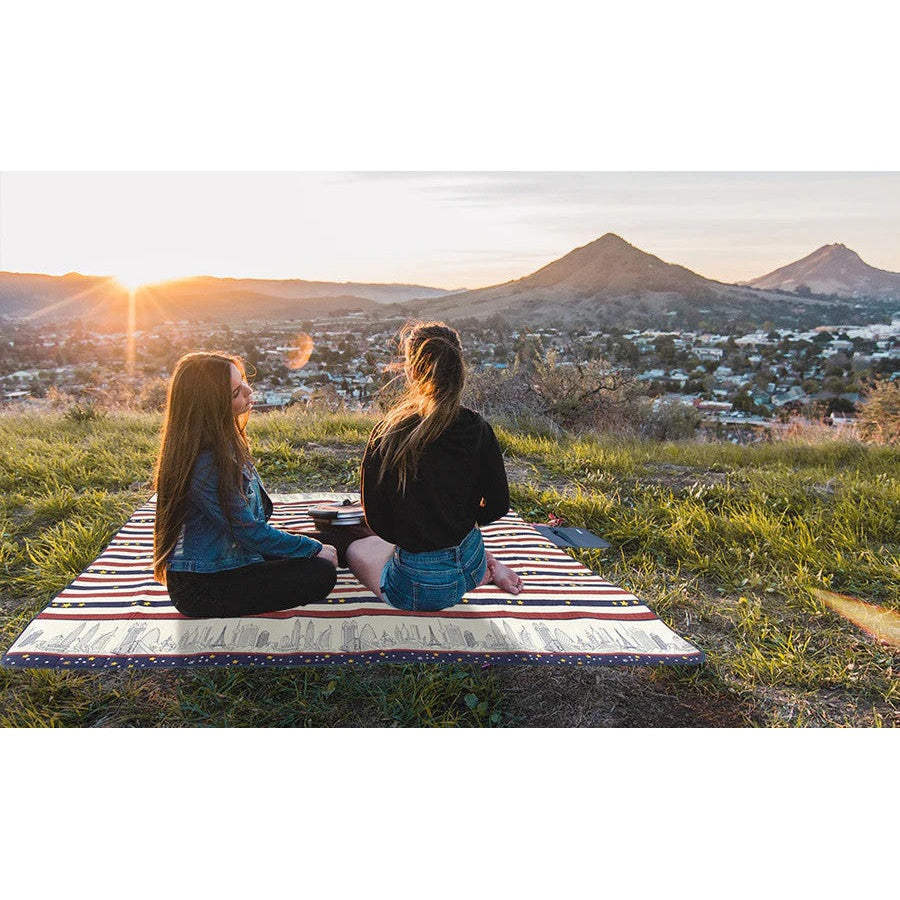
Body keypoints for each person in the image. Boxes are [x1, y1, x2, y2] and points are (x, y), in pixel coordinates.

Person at [347, 321, 523, 611]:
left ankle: (469, 571)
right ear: (458, 369)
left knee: (357, 548)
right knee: (446, 540)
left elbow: (378, 521)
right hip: (470, 562)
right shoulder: (478, 428)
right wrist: (457, 521)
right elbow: (499, 505)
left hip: (421, 587)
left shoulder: (389, 433)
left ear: (411, 371)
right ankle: (486, 566)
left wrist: (416, 532)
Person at [153, 351, 339, 617]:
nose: (249, 391)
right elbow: (249, 531)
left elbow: (253, 523)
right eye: (236, 392)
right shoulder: (206, 463)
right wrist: (313, 549)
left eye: (242, 381)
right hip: (203, 585)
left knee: (334, 541)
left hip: (236, 553)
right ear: (213, 406)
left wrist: (312, 546)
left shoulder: (224, 440)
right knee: (320, 571)